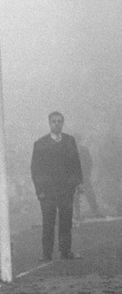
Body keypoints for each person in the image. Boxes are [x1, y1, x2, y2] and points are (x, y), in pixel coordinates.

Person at [31, 111, 83, 261]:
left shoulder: (69, 141)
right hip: (47, 192)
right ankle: (46, 253)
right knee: (48, 222)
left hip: (66, 189)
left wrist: (78, 182)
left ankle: (65, 251)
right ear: (49, 123)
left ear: (63, 123)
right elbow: (35, 169)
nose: (57, 124)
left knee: (66, 221)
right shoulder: (40, 144)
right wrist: (40, 190)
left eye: (59, 121)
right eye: (54, 121)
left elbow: (75, 163)